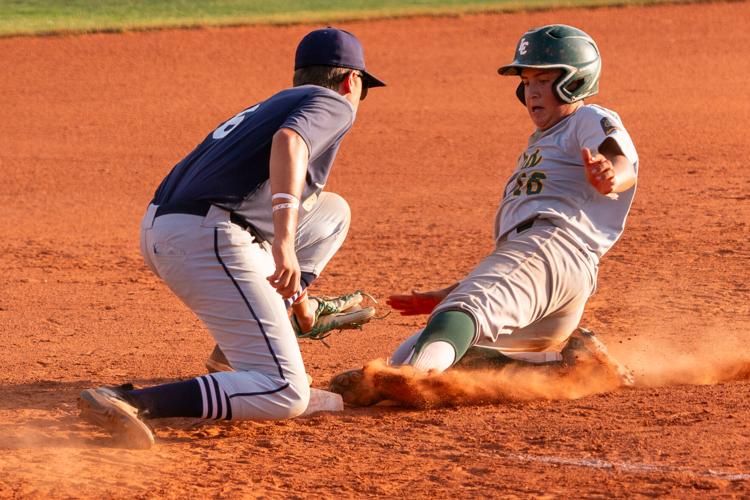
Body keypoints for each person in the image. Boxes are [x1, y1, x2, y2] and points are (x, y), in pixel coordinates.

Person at [77, 27, 385, 448]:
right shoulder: (333, 101)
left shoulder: (272, 104)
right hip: (209, 238)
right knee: (286, 392)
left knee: (331, 210)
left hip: (171, 228)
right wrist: (283, 242)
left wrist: (299, 301)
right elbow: (291, 141)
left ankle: (249, 348)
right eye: (362, 89)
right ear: (351, 80)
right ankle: (130, 402)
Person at [330, 24, 638, 406]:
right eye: (527, 81)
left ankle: (412, 380)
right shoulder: (540, 145)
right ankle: (569, 366)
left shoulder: (586, 119)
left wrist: (611, 175)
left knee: (454, 320)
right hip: (554, 275)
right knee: (422, 349)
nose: (533, 91)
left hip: (554, 249)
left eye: (544, 79)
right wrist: (454, 289)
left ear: (575, 82)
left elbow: (620, 159)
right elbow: (516, 266)